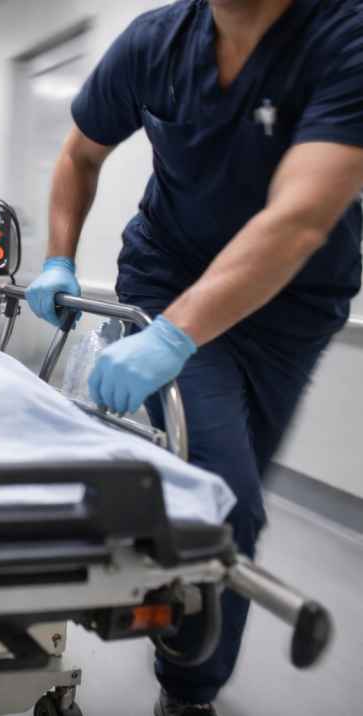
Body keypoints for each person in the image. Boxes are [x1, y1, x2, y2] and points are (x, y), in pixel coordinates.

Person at [26, 1, 363, 714]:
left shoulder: (344, 36)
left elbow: (300, 219)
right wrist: (58, 259)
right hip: (165, 277)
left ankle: (186, 649)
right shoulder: (155, 43)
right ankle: (189, 692)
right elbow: (79, 154)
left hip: (291, 306)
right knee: (226, 494)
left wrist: (174, 337)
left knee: (237, 499)